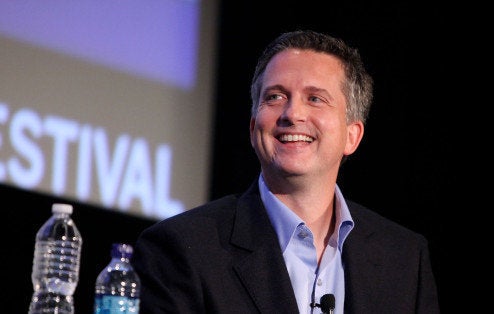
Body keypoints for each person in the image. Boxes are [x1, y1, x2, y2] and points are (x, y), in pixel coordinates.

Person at [131, 29, 440, 314]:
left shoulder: (404, 260)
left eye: (315, 99)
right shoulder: (184, 248)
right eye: (275, 96)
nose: (292, 114)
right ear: (253, 128)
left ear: (352, 136)